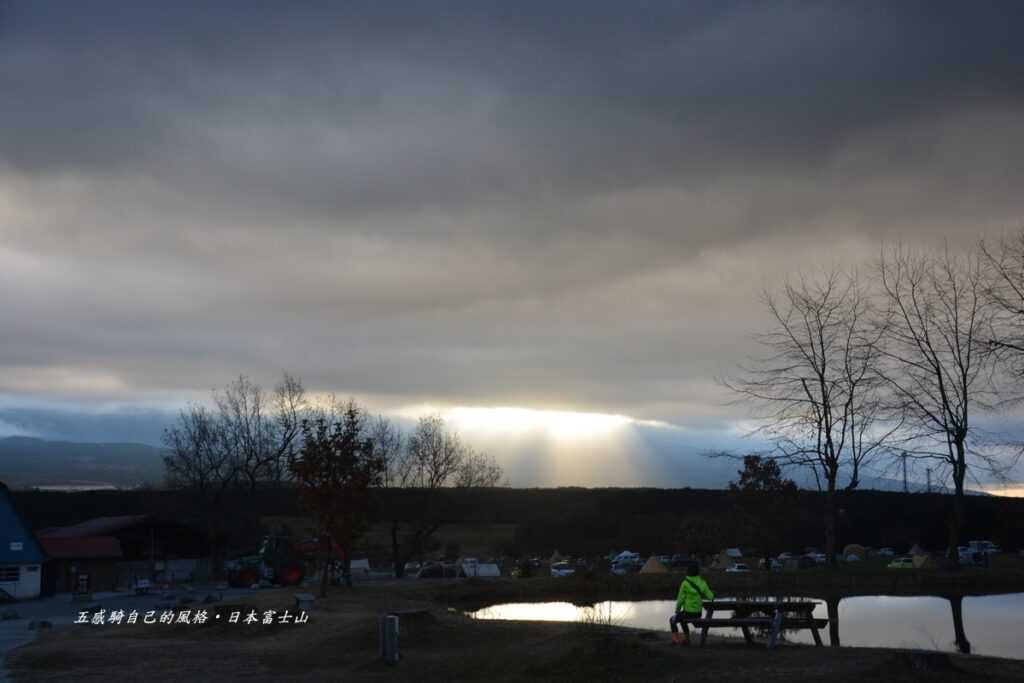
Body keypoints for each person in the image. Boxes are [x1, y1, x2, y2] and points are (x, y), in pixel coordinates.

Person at [669, 562, 714, 645]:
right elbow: (711, 596)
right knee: (683, 621)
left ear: (688, 572)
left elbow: (680, 600)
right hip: (698, 613)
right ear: (697, 572)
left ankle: (676, 640)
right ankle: (686, 640)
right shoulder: (702, 582)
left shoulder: (685, 583)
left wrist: (677, 611)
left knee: (672, 620)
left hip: (688, 612)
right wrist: (711, 596)